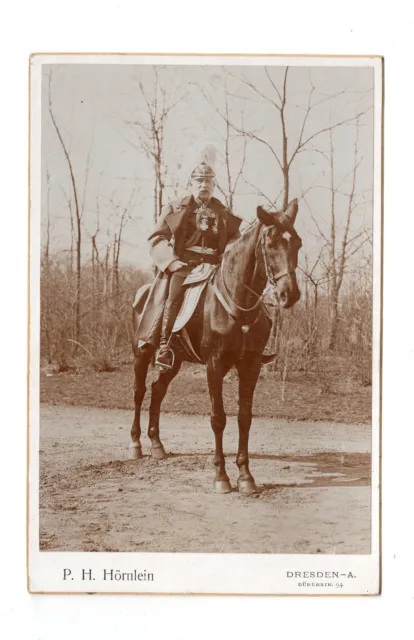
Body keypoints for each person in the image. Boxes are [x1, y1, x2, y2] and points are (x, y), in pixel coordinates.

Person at [147, 146, 243, 369]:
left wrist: (228, 252)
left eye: (208, 181)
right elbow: (157, 238)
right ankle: (165, 347)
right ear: (190, 183)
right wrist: (171, 262)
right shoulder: (175, 207)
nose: (204, 185)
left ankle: (246, 345)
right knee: (175, 294)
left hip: (215, 267)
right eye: (199, 181)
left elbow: (235, 240)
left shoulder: (222, 211)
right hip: (184, 265)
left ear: (214, 185)